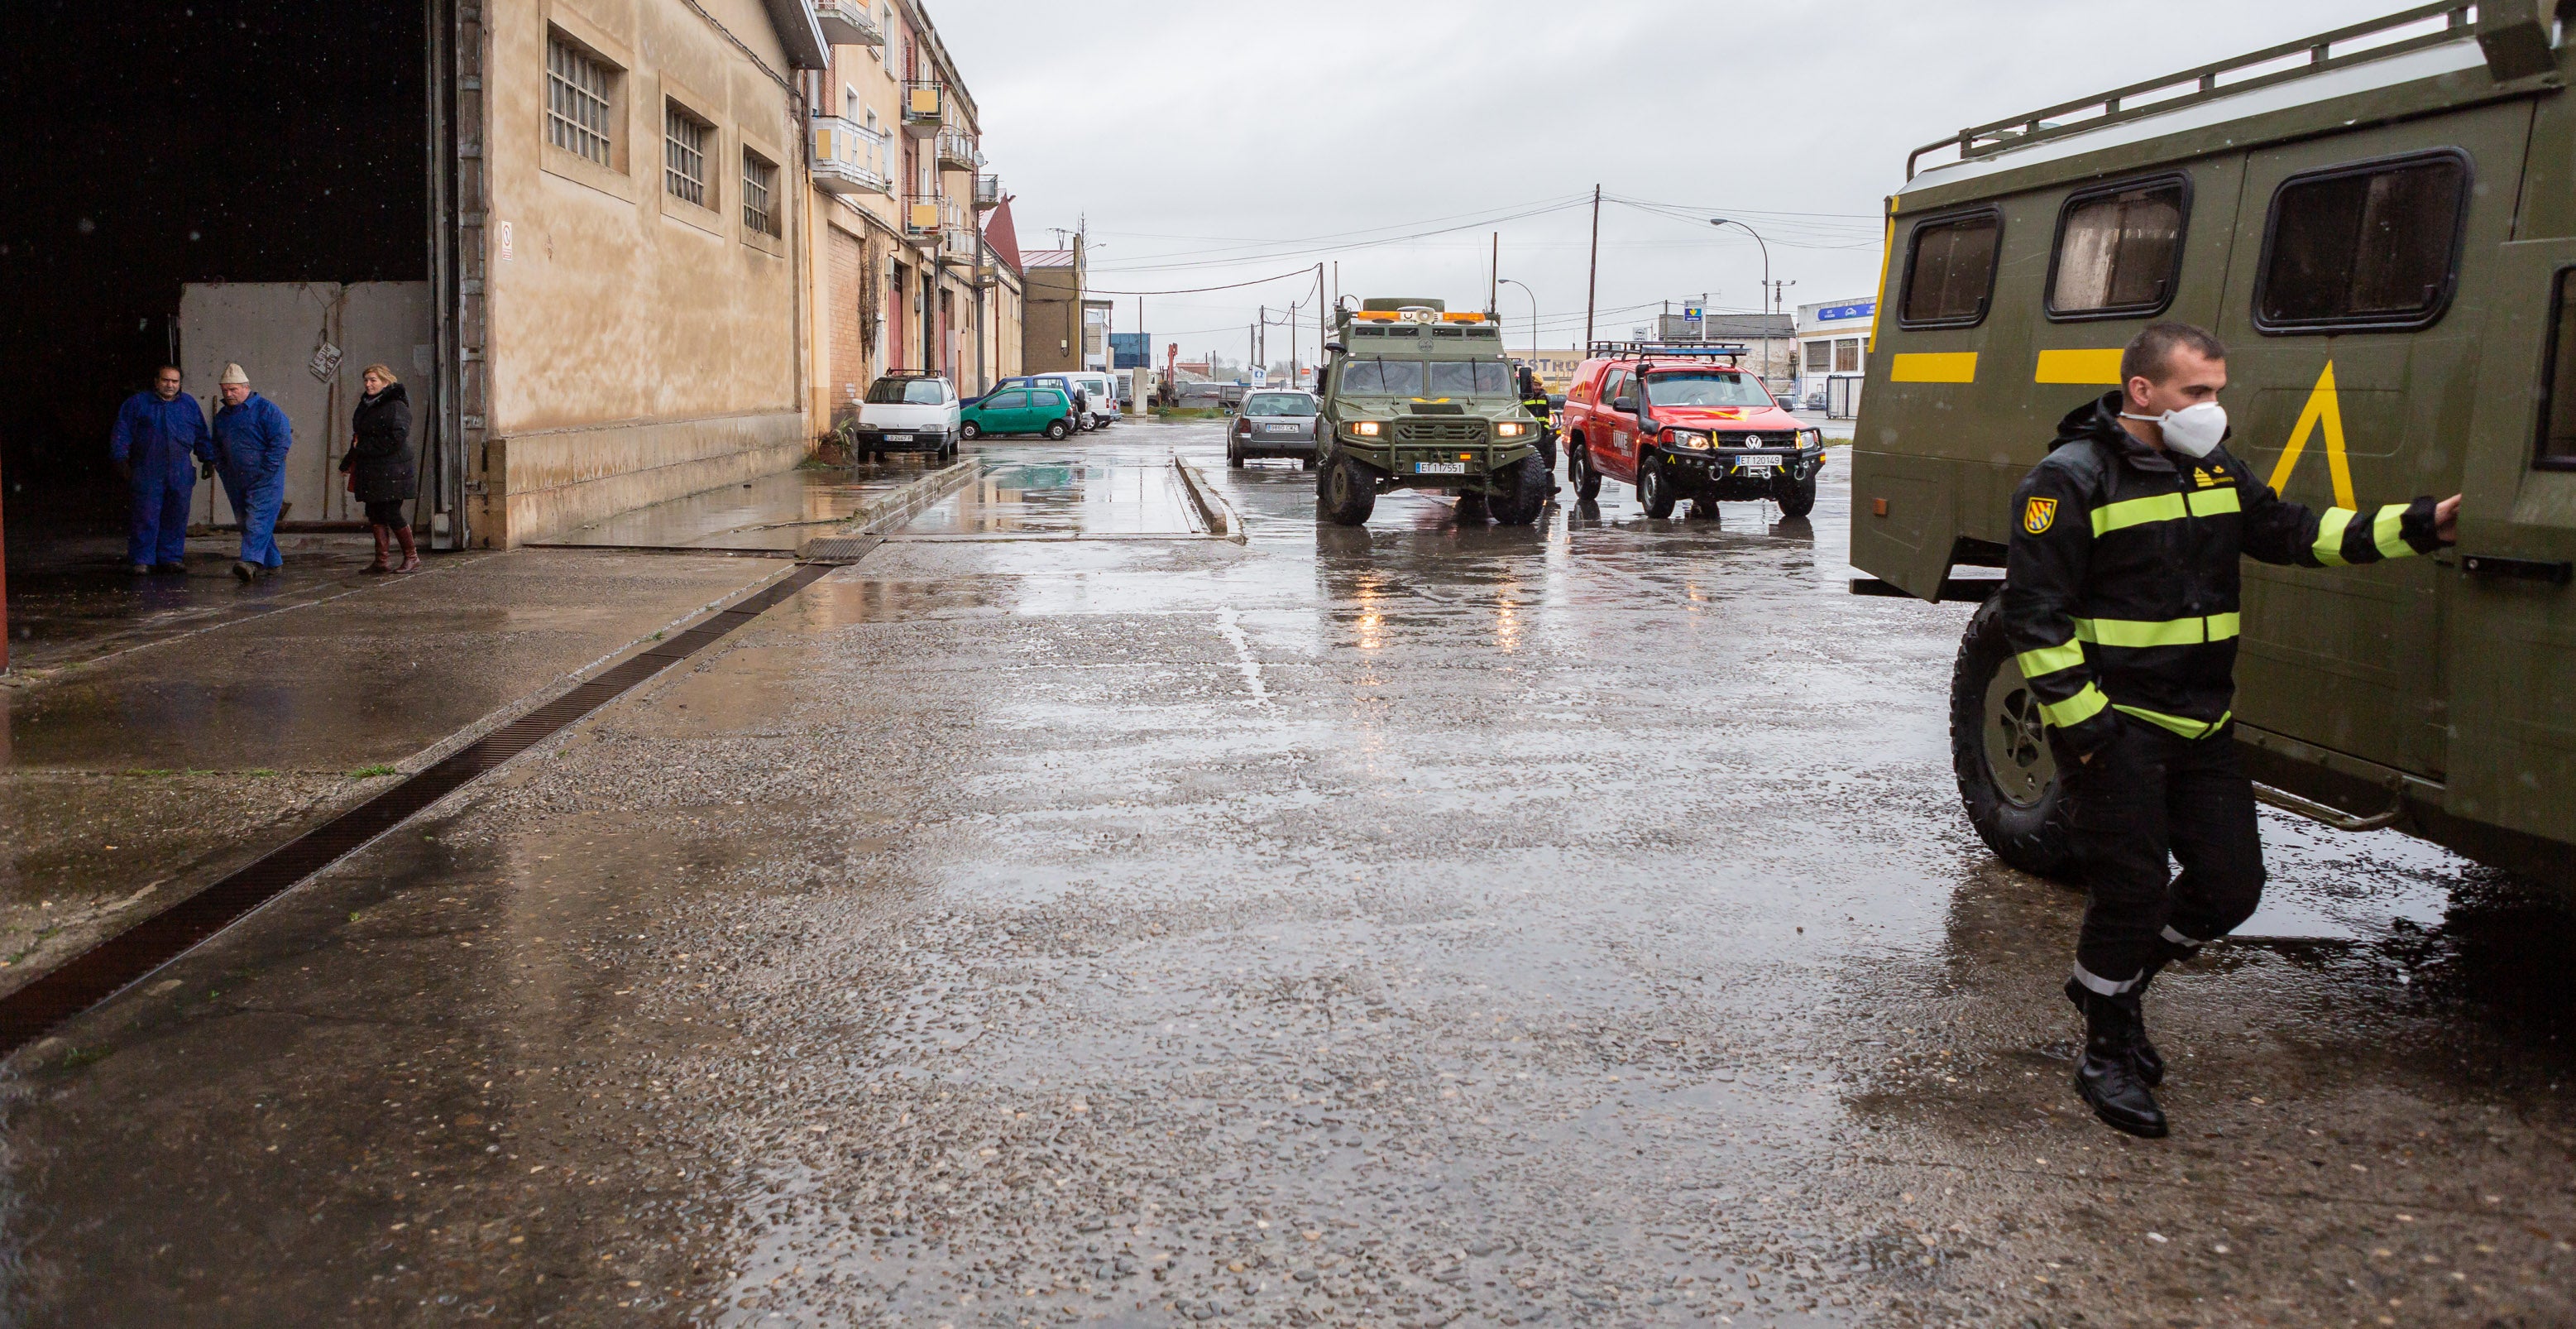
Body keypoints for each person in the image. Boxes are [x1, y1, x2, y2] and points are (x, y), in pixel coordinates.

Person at [1999, 322, 2460, 1139]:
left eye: (2217, 390)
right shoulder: (2070, 480)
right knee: (2132, 889)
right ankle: (2104, 1050)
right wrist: (2092, 730)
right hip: (2119, 726)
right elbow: (2036, 618)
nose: (2213, 408)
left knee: (2231, 885)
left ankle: (2119, 980)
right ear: (2144, 393)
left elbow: (2300, 533)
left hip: (2203, 722)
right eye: (2197, 392)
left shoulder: (2215, 472)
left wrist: (2421, 525)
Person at [108, 366, 213, 574]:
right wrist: (120, 459)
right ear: (156, 381)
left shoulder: (188, 405)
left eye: (174, 381)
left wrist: (207, 458)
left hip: (180, 467)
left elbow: (201, 432)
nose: (170, 385)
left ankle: (170, 558)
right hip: (148, 467)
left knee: (176, 514)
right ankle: (142, 559)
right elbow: (122, 432)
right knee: (146, 514)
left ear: (180, 383)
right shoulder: (138, 404)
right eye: (166, 380)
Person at [212, 362, 293, 582]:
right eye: (225, 390)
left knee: (256, 520)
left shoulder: (267, 410)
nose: (229, 394)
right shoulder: (222, 417)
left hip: (266, 477)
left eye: (234, 390)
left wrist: (268, 469)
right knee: (245, 520)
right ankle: (273, 562)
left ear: (246, 387)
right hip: (235, 477)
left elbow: (282, 440)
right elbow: (216, 445)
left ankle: (250, 562)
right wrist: (220, 466)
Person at [340, 363, 417, 573]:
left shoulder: (395, 405)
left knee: (392, 511)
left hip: (393, 469)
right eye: (366, 380)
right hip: (372, 468)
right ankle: (381, 560)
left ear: (385, 382)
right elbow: (359, 437)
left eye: (373, 380)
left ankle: (412, 557)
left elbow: (397, 437)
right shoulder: (366, 404)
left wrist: (363, 448)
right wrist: (348, 461)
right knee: (374, 512)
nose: (368, 384)